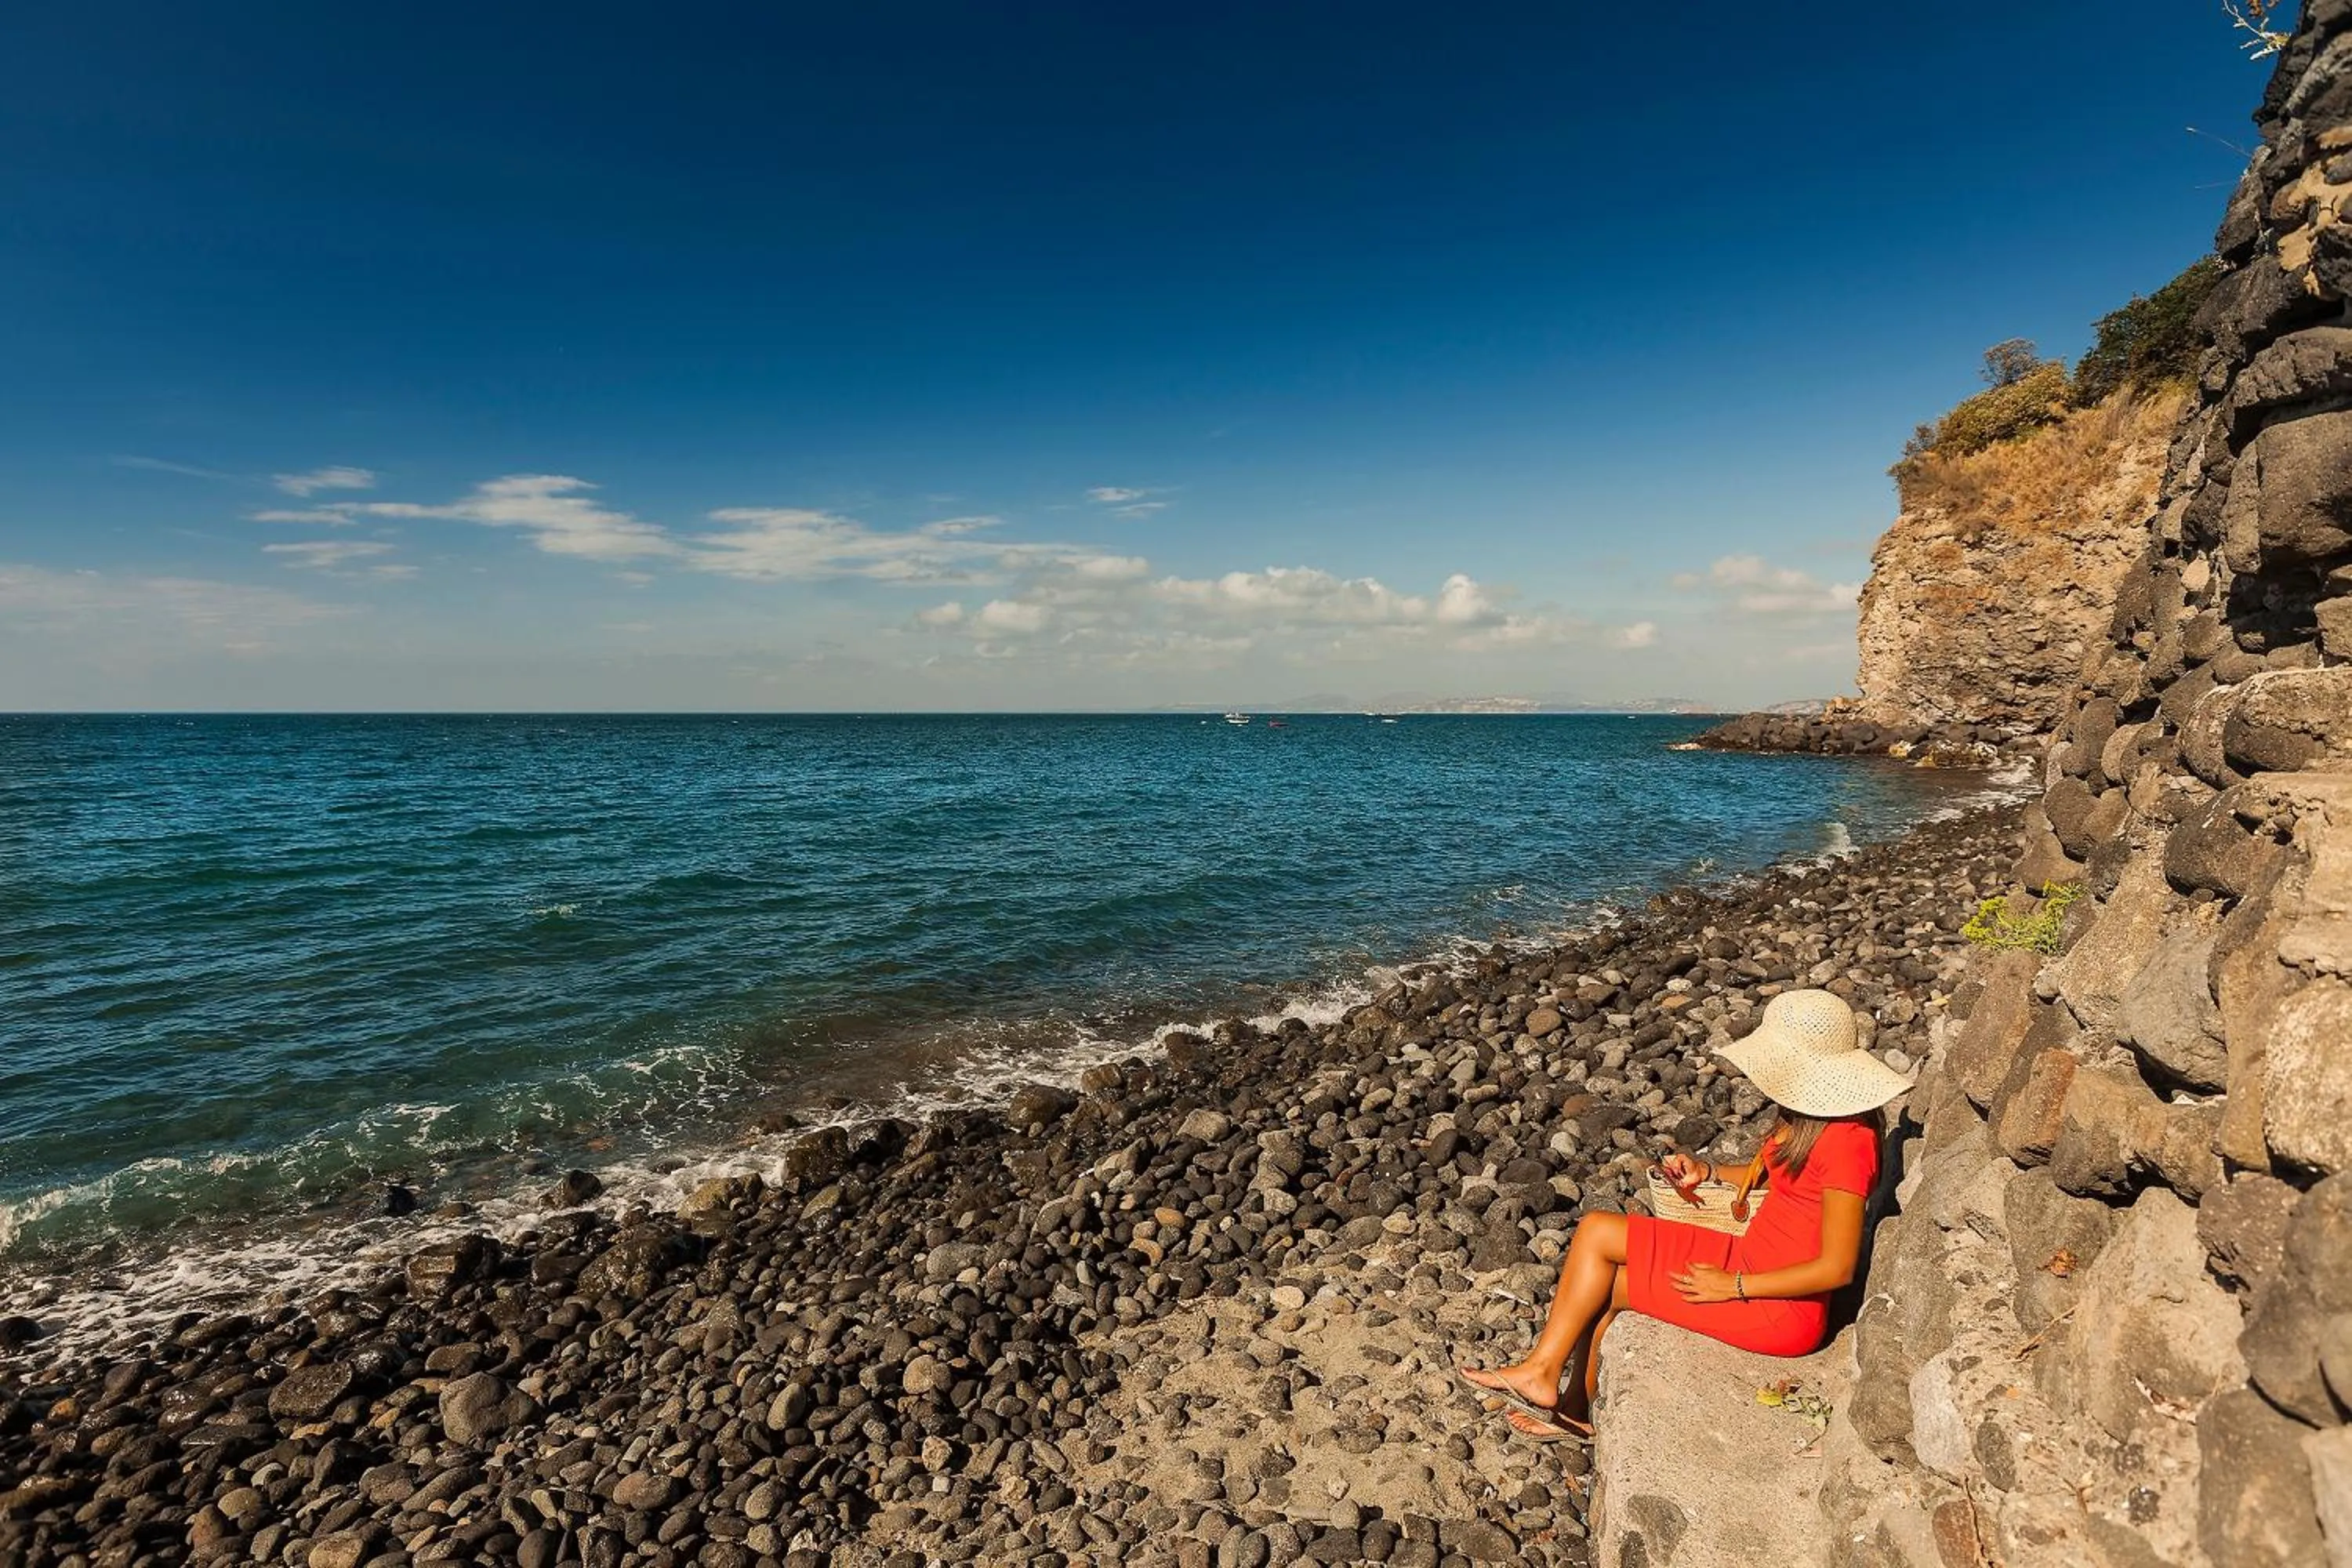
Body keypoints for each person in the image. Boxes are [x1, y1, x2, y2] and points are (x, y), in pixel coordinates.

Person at [1459, 988, 1907, 1439]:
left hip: (1779, 1308)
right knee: (1597, 1234)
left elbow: (1838, 1267)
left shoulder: (1850, 1141)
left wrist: (1731, 1286)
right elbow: (1788, 1178)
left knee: (1610, 1278)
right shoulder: (1809, 1117)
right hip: (1752, 1257)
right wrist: (1707, 1171)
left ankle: (1553, 1384)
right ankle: (1563, 1395)